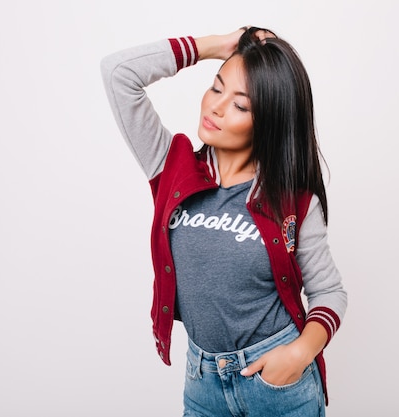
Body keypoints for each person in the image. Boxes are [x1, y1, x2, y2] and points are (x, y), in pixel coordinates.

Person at [101, 26, 347, 416]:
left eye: (240, 105)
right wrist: (215, 46)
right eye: (216, 88)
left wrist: (298, 354)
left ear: (269, 120)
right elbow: (118, 74)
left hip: (277, 386)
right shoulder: (171, 167)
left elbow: (329, 293)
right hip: (203, 385)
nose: (215, 107)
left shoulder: (295, 200)